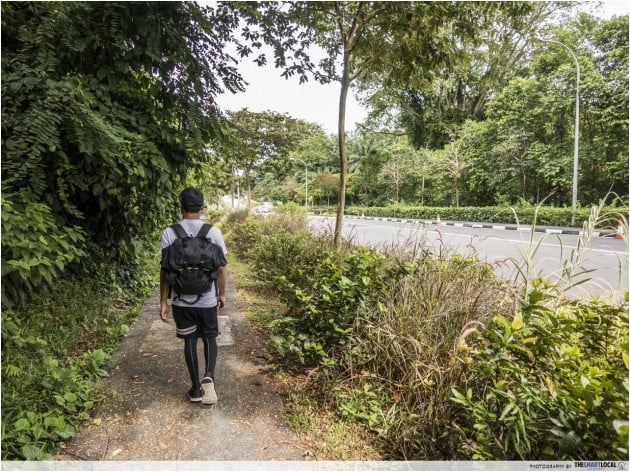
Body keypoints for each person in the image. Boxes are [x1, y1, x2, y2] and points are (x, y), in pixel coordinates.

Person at [159, 187, 227, 405]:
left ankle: (196, 389)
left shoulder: (170, 232)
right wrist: (222, 294)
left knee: (189, 340)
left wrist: (163, 301)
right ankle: (209, 376)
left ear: (180, 205)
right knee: (209, 337)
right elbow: (221, 269)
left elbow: (165, 270)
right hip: (207, 299)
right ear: (202, 206)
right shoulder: (213, 232)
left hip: (181, 301)